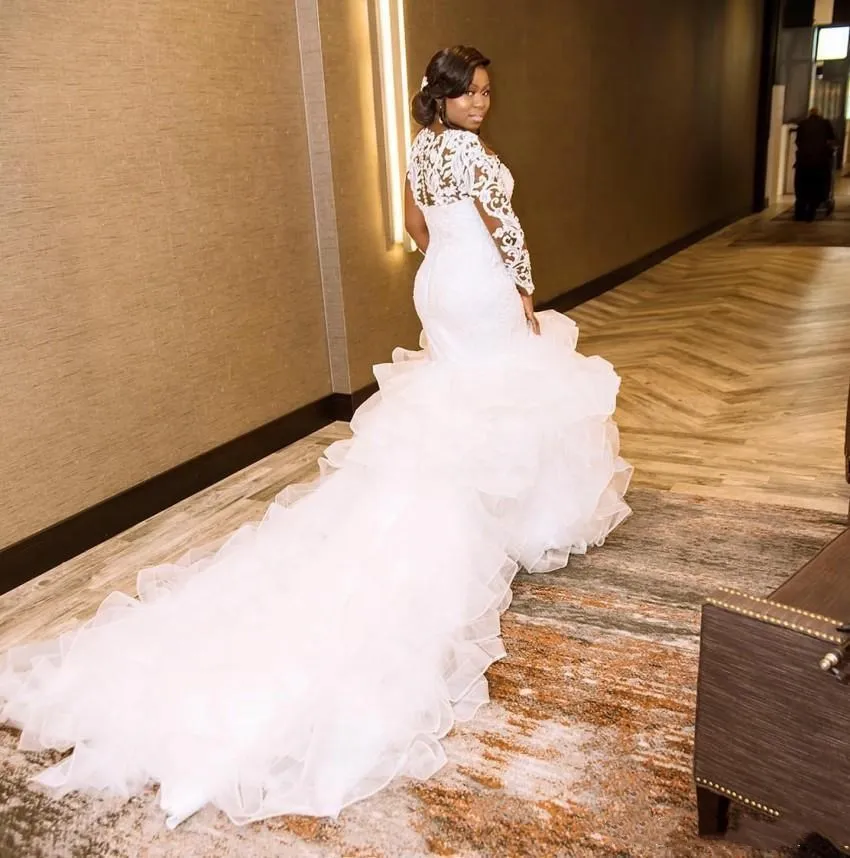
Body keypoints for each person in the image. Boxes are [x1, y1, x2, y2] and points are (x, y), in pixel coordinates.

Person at [0, 46, 631, 829]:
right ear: (444, 97)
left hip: (440, 287)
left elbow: (412, 223)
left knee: (462, 397)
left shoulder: (422, 147)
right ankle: (495, 514)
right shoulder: (465, 150)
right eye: (471, 95)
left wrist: (452, 262)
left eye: (487, 95)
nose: (482, 106)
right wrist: (525, 287)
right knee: (506, 388)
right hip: (482, 287)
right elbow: (504, 223)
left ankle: (485, 503)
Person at [794, 106, 836, 222]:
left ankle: (799, 213)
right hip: (819, 162)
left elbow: (798, 141)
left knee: (802, 188)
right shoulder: (825, 123)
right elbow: (832, 138)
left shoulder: (802, 124)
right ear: (819, 114)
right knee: (815, 188)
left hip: (803, 161)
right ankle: (810, 214)